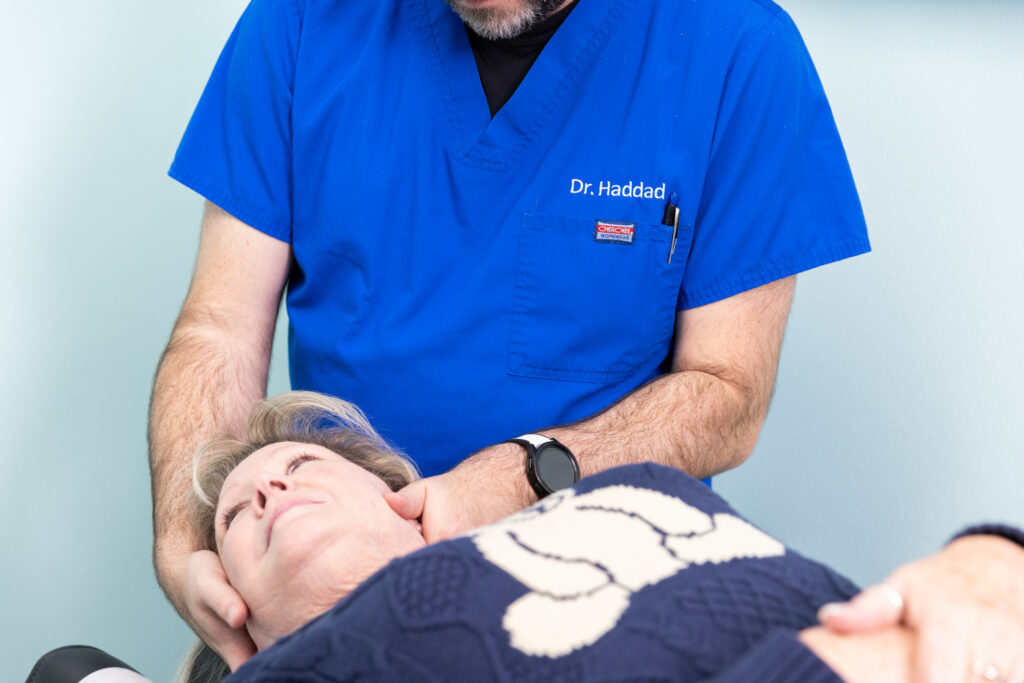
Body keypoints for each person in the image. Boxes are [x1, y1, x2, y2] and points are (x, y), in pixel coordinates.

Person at [151, 0, 874, 670]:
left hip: (593, 584)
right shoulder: (304, 21)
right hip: (338, 598)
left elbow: (727, 393)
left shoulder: (736, 49)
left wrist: (522, 476)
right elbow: (219, 329)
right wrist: (187, 546)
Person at [182, 392, 1024, 682]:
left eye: (300, 462)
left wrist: (990, 559)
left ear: (400, 497)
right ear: (234, 610)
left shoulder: (631, 488)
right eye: (236, 515)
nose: (270, 487)